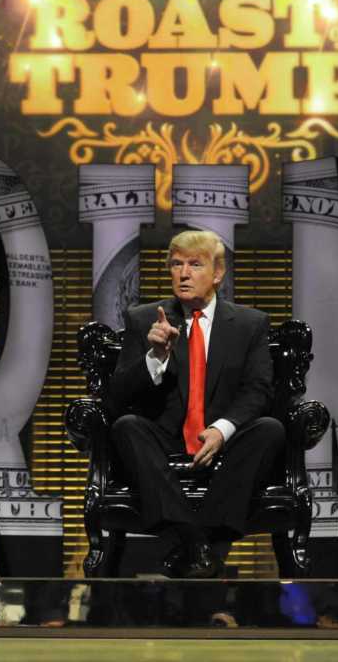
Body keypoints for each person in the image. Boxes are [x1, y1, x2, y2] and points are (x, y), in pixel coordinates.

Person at [104, 229, 284, 578]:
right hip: (165, 441)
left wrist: (221, 430)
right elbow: (118, 396)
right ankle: (200, 543)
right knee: (127, 427)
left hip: (223, 445)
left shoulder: (250, 324)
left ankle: (193, 544)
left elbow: (258, 389)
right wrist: (155, 357)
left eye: (195, 264)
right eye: (176, 264)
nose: (183, 273)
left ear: (218, 273)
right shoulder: (144, 320)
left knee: (270, 430)